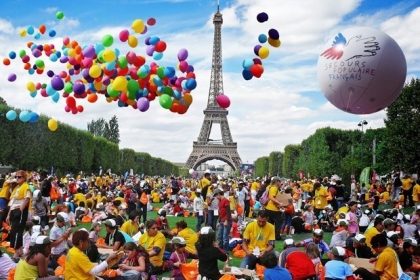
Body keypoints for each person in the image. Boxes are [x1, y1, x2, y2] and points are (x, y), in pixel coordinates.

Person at [6, 170, 32, 257]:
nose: (17, 178)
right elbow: (12, 202)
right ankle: (19, 250)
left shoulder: (26, 187)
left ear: (24, 178)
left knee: (17, 231)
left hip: (19, 210)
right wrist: (9, 214)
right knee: (13, 230)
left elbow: (27, 199)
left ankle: (17, 251)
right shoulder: (17, 188)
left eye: (19, 177)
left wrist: (20, 210)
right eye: (16, 177)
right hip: (14, 210)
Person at [264, 176, 283, 240]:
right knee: (278, 223)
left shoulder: (270, 187)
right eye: (279, 181)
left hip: (269, 208)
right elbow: (271, 197)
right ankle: (277, 236)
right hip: (273, 208)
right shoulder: (274, 188)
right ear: (276, 182)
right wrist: (279, 203)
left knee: (270, 223)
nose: (280, 183)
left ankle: (270, 236)